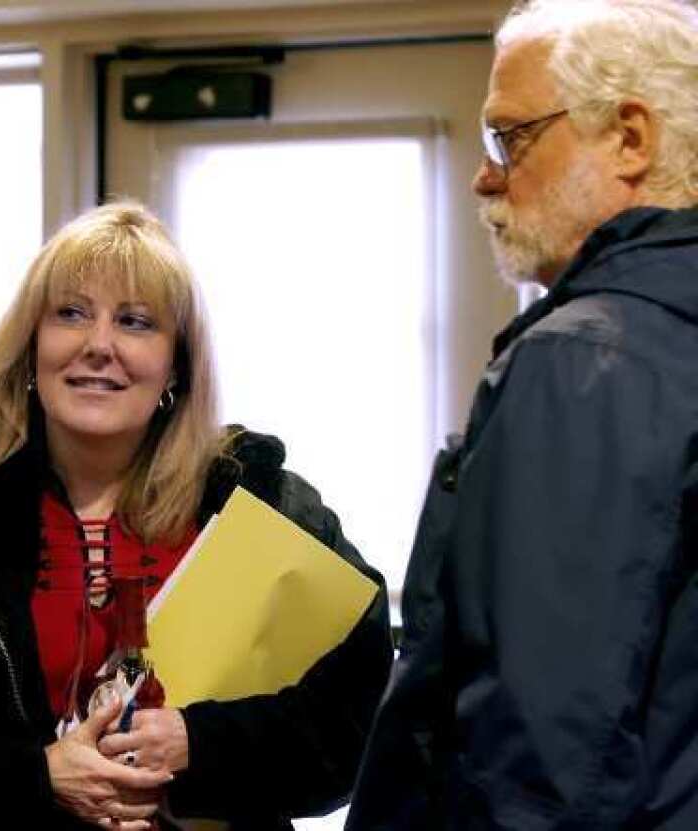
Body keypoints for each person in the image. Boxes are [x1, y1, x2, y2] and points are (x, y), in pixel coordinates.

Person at [0, 201, 393, 829]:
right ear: (31, 345)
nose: (99, 346)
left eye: (135, 322)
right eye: (70, 314)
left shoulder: (268, 510)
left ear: (176, 363)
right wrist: (38, 777)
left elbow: (361, 722)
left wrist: (198, 745)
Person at [346, 0, 698, 827]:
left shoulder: (585, 359)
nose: (485, 174)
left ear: (631, 138)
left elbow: (542, 753)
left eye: (513, 136)